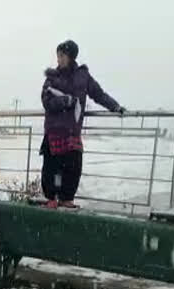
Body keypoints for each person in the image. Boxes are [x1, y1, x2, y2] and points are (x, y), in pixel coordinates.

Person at [41, 40, 125, 209]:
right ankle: (51, 198)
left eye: (62, 55)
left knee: (73, 166)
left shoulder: (82, 76)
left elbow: (98, 94)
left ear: (71, 56)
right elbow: (46, 100)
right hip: (54, 130)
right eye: (58, 55)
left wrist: (115, 106)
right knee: (52, 168)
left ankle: (67, 199)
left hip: (72, 130)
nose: (59, 59)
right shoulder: (52, 77)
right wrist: (66, 101)